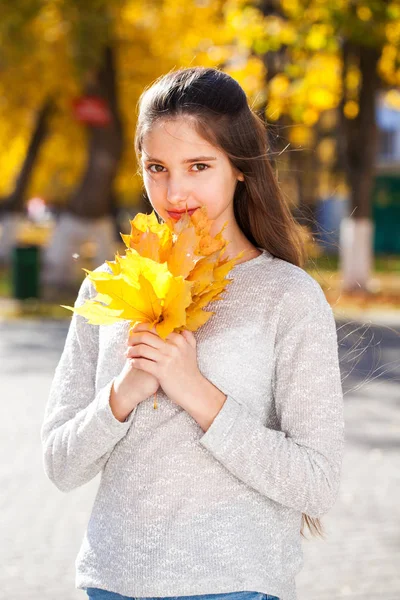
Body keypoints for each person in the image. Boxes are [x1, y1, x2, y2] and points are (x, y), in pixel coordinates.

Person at [40, 67, 344, 600]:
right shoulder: (107, 291)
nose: (174, 191)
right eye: (156, 167)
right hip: (110, 584)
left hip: (236, 588)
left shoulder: (287, 296)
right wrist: (122, 393)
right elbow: (61, 465)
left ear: (241, 168)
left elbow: (316, 483)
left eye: (198, 166)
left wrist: (199, 393)